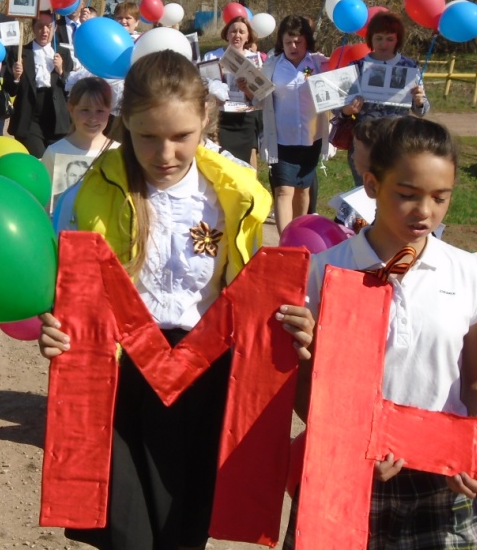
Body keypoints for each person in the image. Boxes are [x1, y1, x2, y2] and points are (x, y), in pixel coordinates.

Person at [39, 51, 314, 550]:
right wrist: (58, 325)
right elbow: (69, 286)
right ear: (125, 124)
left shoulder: (233, 196)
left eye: (180, 137)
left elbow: (248, 289)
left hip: (202, 378)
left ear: (205, 121)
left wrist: (288, 320)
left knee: (180, 531)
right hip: (120, 380)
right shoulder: (89, 195)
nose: (164, 152)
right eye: (147, 136)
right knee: (125, 534)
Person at [293, 116, 477, 549]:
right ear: (371, 185)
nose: (424, 211)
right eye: (407, 195)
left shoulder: (471, 272)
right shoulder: (324, 271)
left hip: (440, 484)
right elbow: (303, 387)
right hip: (344, 476)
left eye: (440, 198)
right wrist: (345, 444)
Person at [256, 15, 329, 232]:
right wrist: (248, 88)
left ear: (307, 40)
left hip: (310, 137)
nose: (293, 46)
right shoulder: (272, 65)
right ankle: (286, 242)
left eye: (297, 41)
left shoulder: (319, 64)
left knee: (303, 190)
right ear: (281, 42)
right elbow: (259, 100)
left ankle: (299, 235)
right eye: (288, 42)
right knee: (283, 191)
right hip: (281, 139)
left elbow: (335, 92)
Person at [340, 11, 430, 187]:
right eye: (379, 38)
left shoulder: (410, 67)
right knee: (364, 193)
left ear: (398, 40)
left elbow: (422, 111)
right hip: (364, 142)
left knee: (394, 192)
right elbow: (339, 109)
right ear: (370, 38)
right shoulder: (356, 67)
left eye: (390, 39)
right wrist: (347, 110)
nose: (384, 44)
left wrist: (419, 100)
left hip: (398, 143)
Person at [6, 10, 74, 158]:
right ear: (33, 28)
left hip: (57, 118)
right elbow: (10, 89)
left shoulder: (64, 53)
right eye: (40, 26)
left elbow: (70, 88)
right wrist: (16, 77)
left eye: (49, 26)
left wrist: (62, 71)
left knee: (56, 163)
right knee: (38, 160)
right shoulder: (20, 52)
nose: (44, 31)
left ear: (55, 28)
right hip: (30, 117)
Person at [41, 76, 118, 203]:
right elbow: (45, 201)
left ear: (109, 111)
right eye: (85, 110)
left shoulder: (117, 151)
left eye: (100, 111)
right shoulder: (55, 152)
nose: (93, 118)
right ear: (71, 109)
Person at [202, 16, 264, 167]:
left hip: (245, 118)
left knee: (246, 161)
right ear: (227, 34)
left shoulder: (255, 59)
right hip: (220, 117)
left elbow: (260, 94)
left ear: (248, 36)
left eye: (242, 32)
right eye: (233, 31)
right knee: (220, 161)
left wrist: (247, 88)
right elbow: (201, 85)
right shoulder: (212, 56)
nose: (237, 35)